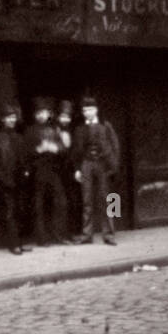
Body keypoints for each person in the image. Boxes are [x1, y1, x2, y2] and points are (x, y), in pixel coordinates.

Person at [71, 96, 120, 245]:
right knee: (87, 200)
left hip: (103, 164)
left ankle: (110, 234)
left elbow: (115, 145)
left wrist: (114, 165)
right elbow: (75, 151)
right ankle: (87, 234)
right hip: (86, 164)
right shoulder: (79, 129)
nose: (88, 113)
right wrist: (77, 169)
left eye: (90, 109)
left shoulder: (106, 126)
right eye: (85, 110)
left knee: (110, 198)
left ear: (96, 110)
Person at [23, 97, 69, 245]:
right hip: (38, 171)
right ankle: (42, 239)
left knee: (61, 202)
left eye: (44, 112)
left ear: (49, 113)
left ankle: (58, 235)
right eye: (39, 113)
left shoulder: (54, 129)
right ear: (35, 115)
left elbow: (63, 149)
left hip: (53, 170)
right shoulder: (30, 131)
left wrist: (56, 148)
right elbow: (24, 153)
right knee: (39, 205)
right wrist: (39, 150)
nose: (42, 115)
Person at [0, 103, 27, 254]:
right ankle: (14, 245)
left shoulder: (18, 137)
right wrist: (4, 180)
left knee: (20, 211)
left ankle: (19, 242)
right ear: (3, 120)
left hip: (19, 182)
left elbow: (24, 159)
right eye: (8, 118)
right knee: (10, 213)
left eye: (13, 117)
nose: (11, 120)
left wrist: (26, 172)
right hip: (6, 184)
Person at [56, 98, 80, 236]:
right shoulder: (54, 131)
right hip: (59, 171)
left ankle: (74, 231)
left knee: (74, 200)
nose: (65, 120)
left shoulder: (74, 131)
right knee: (62, 202)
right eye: (63, 116)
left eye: (68, 117)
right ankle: (62, 233)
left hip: (72, 170)